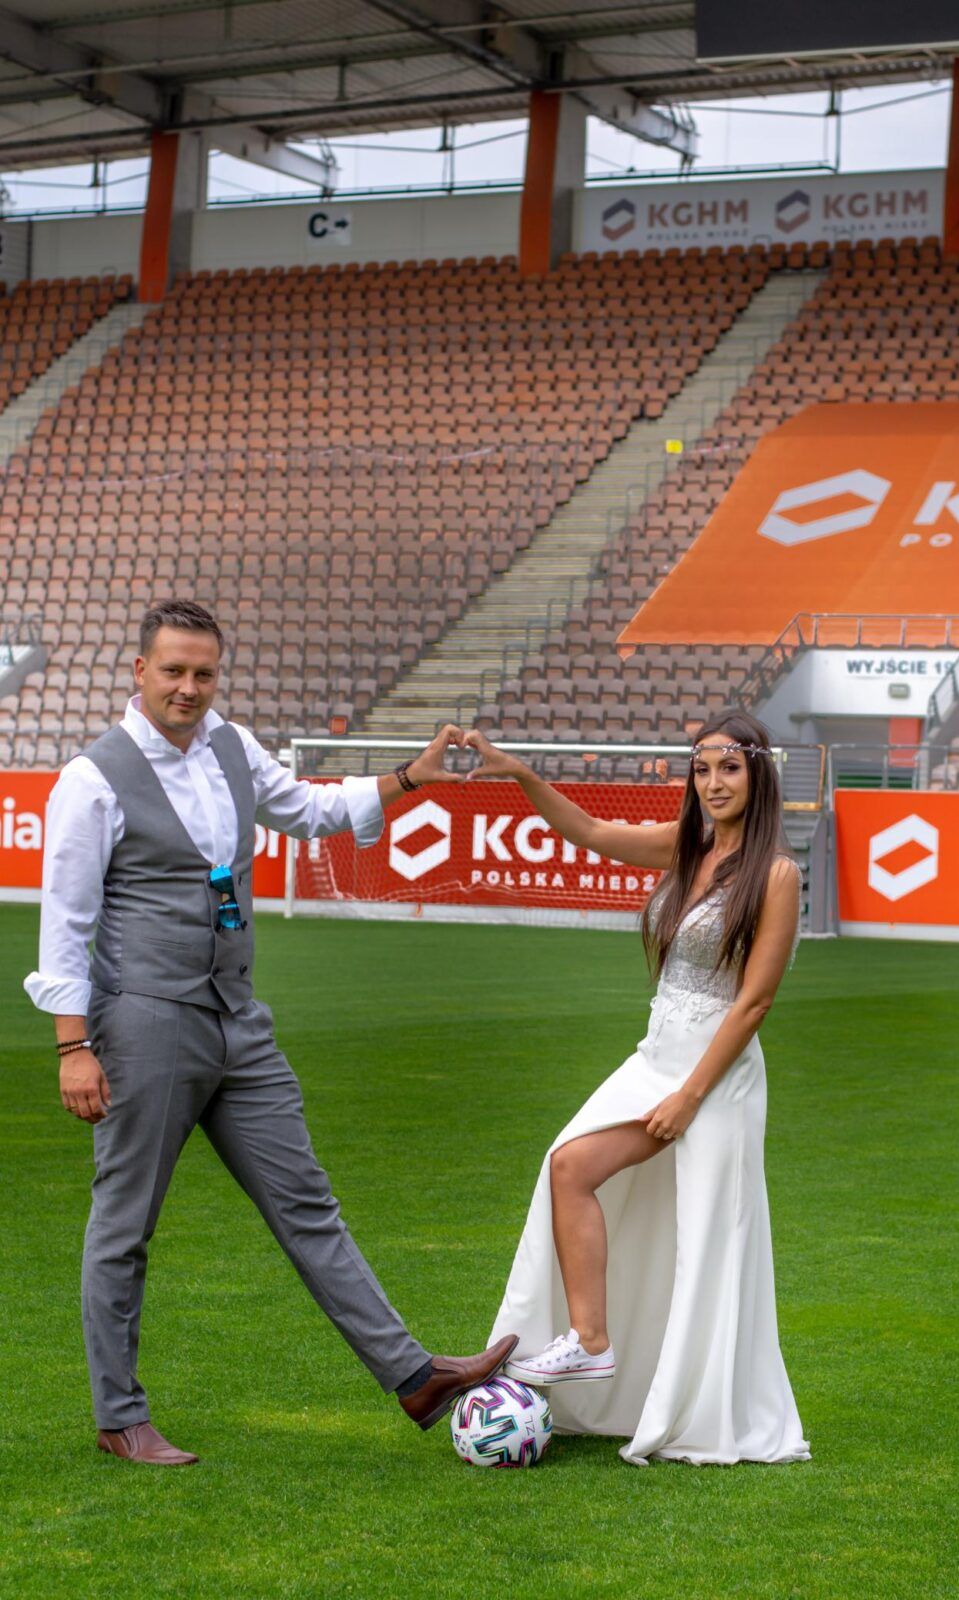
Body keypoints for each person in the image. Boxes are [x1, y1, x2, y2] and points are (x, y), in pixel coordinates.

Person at [25, 598, 516, 1466]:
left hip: (238, 1021)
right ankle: (119, 1416)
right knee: (124, 1225)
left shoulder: (232, 745)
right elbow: (66, 922)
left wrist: (413, 777)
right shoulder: (92, 779)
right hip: (144, 1021)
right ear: (138, 671)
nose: (189, 688)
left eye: (204, 673)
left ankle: (413, 1375)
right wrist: (74, 1047)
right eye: (173, 671)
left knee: (306, 1203)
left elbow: (312, 810)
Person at [465, 710, 810, 1467]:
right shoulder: (685, 849)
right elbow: (589, 832)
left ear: (758, 774)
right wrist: (521, 773)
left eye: (728, 768)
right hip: (654, 1056)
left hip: (715, 1077)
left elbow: (754, 1001)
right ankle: (591, 1342)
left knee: (706, 1238)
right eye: (702, 769)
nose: (713, 783)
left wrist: (690, 1097)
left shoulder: (777, 874)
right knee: (569, 1165)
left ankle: (696, 1409)